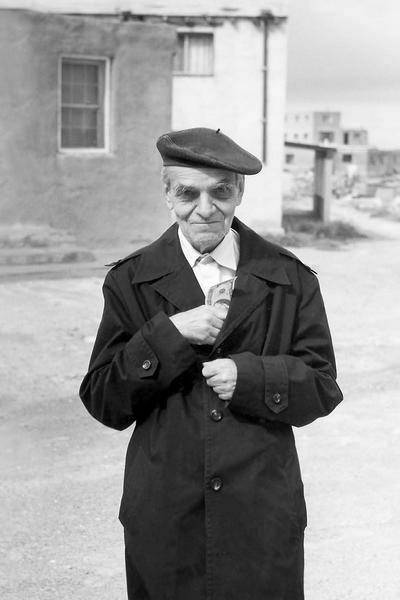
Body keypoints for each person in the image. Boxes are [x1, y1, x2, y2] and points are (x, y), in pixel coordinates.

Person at [79, 127, 343, 600]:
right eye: (188, 193)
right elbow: (104, 400)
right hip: (166, 513)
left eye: (220, 192)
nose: (205, 209)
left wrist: (253, 377)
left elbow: (323, 386)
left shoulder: (289, 278)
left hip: (260, 511)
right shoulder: (130, 281)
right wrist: (168, 336)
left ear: (239, 192)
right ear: (167, 194)